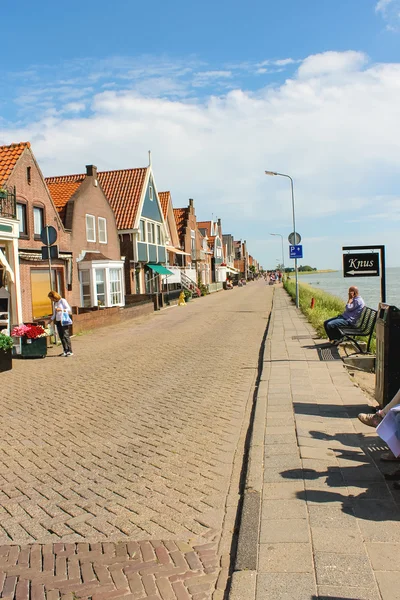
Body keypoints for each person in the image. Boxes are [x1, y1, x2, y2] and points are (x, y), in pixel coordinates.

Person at [48, 290, 73, 357]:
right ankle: (65, 350)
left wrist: (61, 310)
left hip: (64, 320)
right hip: (58, 321)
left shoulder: (62, 301)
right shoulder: (55, 303)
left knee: (66, 335)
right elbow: (54, 314)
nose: (51, 300)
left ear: (54, 296)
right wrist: (50, 321)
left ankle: (70, 351)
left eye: (51, 298)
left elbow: (69, 309)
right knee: (61, 336)